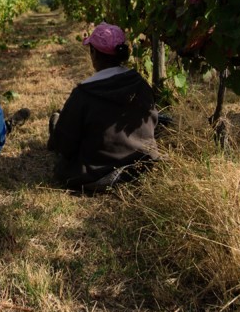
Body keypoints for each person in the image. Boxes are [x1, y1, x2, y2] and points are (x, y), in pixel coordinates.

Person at [47, 22, 159, 193]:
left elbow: (65, 146)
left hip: (95, 174)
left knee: (59, 131)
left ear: (94, 54)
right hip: (140, 167)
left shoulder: (83, 93)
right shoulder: (141, 85)